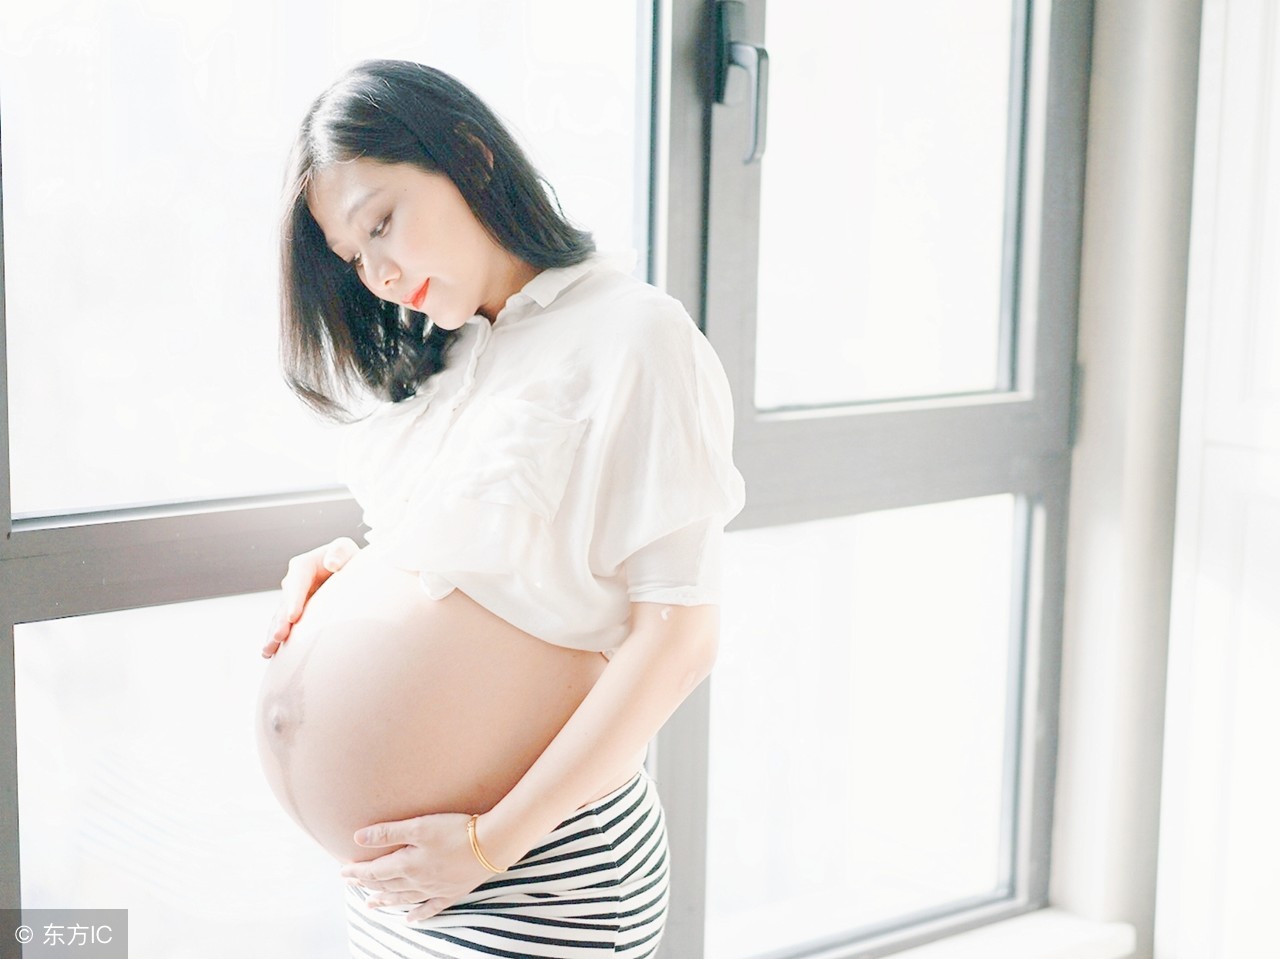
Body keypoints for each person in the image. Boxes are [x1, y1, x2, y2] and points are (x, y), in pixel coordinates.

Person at [260, 59, 745, 959]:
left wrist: (491, 842)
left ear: (472, 155)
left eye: (384, 223)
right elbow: (486, 571)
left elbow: (678, 639)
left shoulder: (635, 334)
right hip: (405, 881)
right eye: (357, 256)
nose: (379, 270)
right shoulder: (449, 356)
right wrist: (352, 571)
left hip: (535, 869)